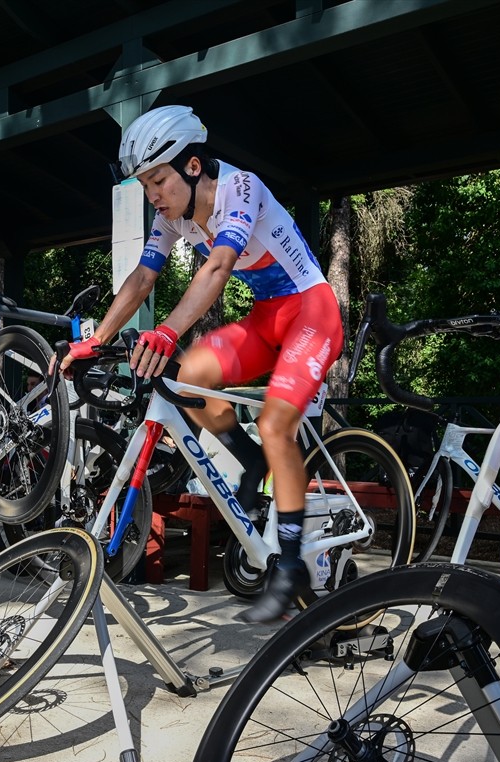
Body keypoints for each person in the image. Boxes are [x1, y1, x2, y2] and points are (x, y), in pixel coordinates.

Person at [60, 106, 343, 623]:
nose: (154, 196)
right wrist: (95, 339)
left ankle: (290, 565)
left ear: (193, 166)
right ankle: (249, 460)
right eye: (146, 184)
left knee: (275, 422)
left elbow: (217, 266)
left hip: (311, 309)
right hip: (266, 317)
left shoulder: (241, 188)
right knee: (191, 376)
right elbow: (143, 278)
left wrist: (166, 330)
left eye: (158, 180)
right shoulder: (172, 216)